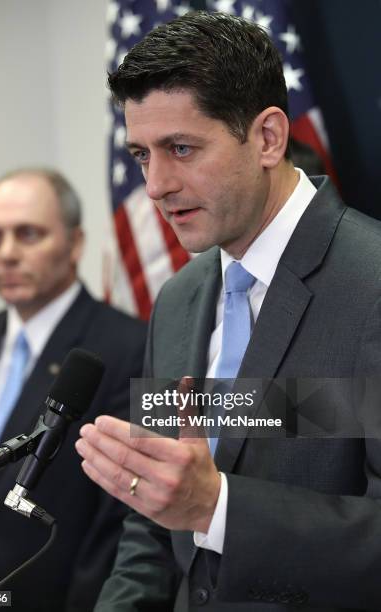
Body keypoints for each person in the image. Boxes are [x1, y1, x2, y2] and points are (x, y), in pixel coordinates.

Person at [75, 11, 381, 611]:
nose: (156, 185)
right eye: (141, 154)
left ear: (267, 137)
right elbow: (150, 525)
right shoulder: (178, 301)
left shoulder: (371, 285)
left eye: (181, 148)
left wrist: (217, 509)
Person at [0, 168, 147, 611]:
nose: (7, 253)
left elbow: (120, 520)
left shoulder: (129, 347)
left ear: (75, 243)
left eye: (28, 234)